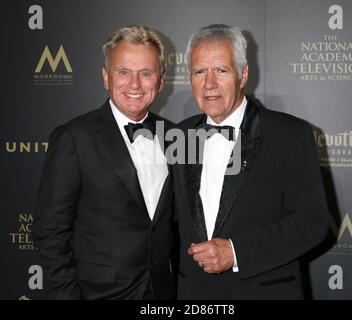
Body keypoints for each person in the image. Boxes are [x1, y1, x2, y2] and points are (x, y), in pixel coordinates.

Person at [173, 24, 329, 299]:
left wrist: (235, 252)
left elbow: (312, 222)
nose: (209, 83)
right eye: (199, 72)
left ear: (243, 74)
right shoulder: (180, 135)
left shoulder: (289, 135)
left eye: (221, 70)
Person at [32, 25, 176, 300]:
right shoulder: (74, 138)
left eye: (146, 73)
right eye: (124, 72)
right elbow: (50, 233)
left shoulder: (174, 135)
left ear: (161, 81)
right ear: (106, 78)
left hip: (161, 294)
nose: (134, 84)